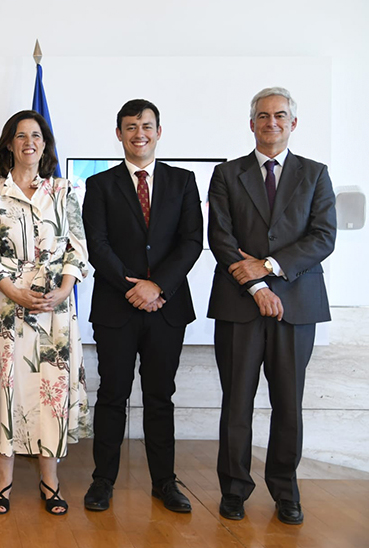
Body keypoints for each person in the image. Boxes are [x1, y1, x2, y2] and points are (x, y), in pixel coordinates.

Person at [207, 87, 336, 525]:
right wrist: (257, 288)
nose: (271, 122)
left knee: (288, 404)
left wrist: (268, 268)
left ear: (293, 123)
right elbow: (220, 239)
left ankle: (285, 491)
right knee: (236, 403)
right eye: (263, 116)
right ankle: (234, 489)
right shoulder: (227, 175)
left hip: (297, 305)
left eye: (280, 115)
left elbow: (323, 237)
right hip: (239, 305)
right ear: (251, 123)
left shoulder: (316, 174)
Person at [81, 99, 202, 514]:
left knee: (160, 397)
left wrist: (156, 286)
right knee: (112, 395)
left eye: (146, 126)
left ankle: (164, 483)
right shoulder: (99, 185)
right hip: (116, 307)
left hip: (167, 308)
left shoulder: (183, 181)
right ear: (119, 134)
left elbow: (191, 243)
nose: (139, 134)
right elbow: (96, 245)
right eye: (130, 127)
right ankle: (102, 481)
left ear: (158, 131)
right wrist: (133, 287)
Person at [0, 111, 89, 515]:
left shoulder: (63, 190)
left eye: (36, 136)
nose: (29, 142)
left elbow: (77, 247)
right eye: (20, 136)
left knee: (48, 393)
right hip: (6, 307)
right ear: (8, 144)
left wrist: (64, 290)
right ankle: (2, 480)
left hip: (54, 312)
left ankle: (50, 481)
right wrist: (10, 288)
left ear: (45, 144)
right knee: (7, 389)